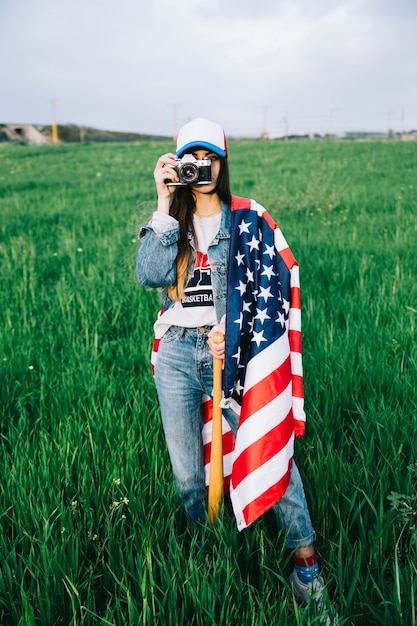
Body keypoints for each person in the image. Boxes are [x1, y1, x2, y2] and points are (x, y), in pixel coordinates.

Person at [136, 117, 337, 622]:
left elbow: (271, 284)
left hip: (235, 352)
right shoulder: (172, 224)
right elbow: (150, 275)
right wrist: (163, 204)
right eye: (190, 160)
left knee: (271, 448)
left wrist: (237, 331)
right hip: (179, 355)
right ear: (177, 166)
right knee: (188, 474)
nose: (200, 168)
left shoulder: (247, 219)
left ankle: (305, 561)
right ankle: (208, 556)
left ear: (222, 164)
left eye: (209, 159)